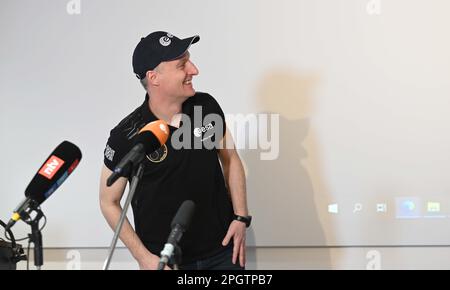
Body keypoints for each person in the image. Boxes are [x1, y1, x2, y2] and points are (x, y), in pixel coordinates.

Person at [99, 31, 251, 270]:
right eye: (182, 65)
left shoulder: (206, 106)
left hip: (222, 253)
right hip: (166, 262)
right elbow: (108, 201)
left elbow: (230, 159)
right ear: (154, 77)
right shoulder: (126, 135)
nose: (194, 69)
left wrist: (241, 217)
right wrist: (143, 257)